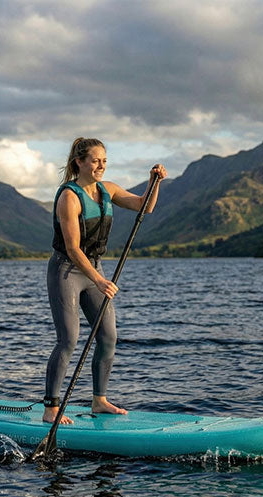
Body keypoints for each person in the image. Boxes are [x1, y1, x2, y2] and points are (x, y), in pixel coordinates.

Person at [42, 137, 167, 424]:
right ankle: (51, 408)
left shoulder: (107, 190)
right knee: (68, 340)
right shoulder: (69, 197)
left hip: (94, 271)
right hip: (67, 271)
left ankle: (99, 401)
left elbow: (144, 206)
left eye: (105, 161)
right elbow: (73, 249)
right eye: (95, 160)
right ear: (79, 162)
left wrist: (154, 182)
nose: (101, 166)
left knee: (108, 336)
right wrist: (99, 279)